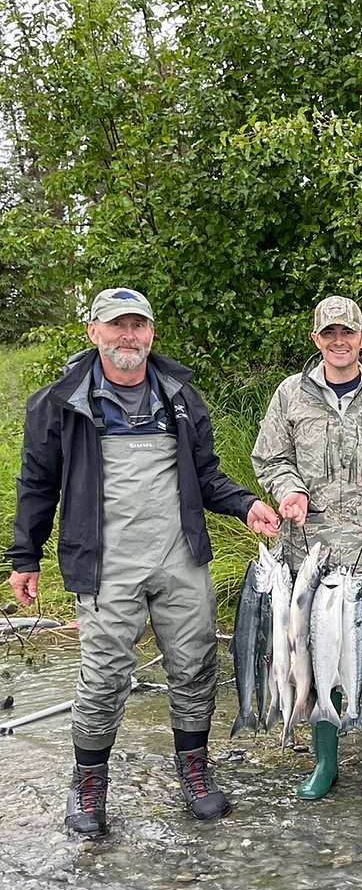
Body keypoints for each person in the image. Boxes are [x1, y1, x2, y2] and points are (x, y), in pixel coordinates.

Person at [6, 287, 281, 838]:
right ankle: (88, 784)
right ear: (94, 332)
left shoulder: (180, 396)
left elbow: (205, 476)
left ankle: (195, 771)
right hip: (105, 562)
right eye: (116, 326)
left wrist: (247, 503)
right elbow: (36, 485)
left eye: (138, 325)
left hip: (180, 558)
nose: (128, 336)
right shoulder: (59, 403)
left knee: (195, 666)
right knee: (103, 677)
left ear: (151, 333)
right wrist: (24, 556)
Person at [252, 295, 362, 801]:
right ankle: (324, 763)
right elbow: (269, 456)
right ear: (316, 340)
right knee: (311, 653)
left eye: (347, 333)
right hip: (309, 556)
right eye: (329, 334)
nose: (339, 341)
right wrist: (289, 490)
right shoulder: (289, 395)